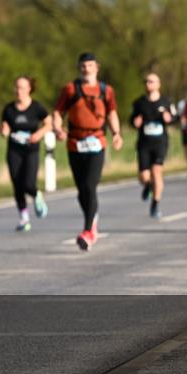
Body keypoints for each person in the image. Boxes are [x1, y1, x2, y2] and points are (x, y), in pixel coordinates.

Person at [52, 52, 122, 251]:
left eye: (90, 65)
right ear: (79, 68)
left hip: (97, 141)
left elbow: (112, 113)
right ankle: (92, 220)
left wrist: (116, 133)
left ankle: (88, 232)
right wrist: (58, 128)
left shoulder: (106, 91)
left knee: (90, 186)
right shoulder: (70, 89)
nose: (86, 69)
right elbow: (58, 112)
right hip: (75, 142)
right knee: (82, 189)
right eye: (83, 66)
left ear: (97, 67)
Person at [0, 76, 51, 232]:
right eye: (16, 87)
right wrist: (5, 131)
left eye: (22, 87)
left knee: (28, 184)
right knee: (17, 184)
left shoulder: (37, 108)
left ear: (29, 89)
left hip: (31, 150)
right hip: (14, 150)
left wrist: (39, 134)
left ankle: (36, 195)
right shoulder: (9, 109)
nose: (18, 91)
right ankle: (24, 219)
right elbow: (5, 126)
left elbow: (49, 123)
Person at [130, 73, 175, 219]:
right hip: (144, 143)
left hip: (160, 142)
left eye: (151, 81)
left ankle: (155, 204)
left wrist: (170, 119)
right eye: (146, 82)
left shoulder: (166, 101)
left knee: (156, 172)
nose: (148, 84)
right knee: (144, 176)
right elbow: (132, 119)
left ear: (158, 84)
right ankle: (148, 185)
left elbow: (175, 117)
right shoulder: (139, 103)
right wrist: (134, 122)